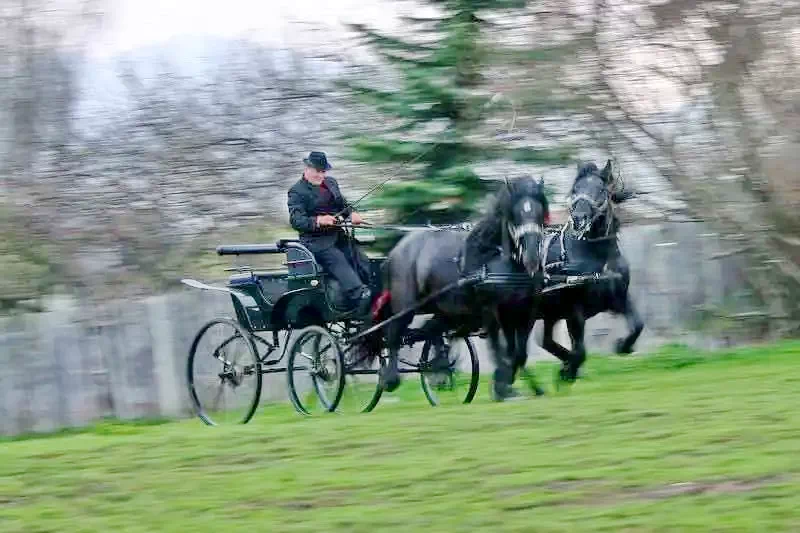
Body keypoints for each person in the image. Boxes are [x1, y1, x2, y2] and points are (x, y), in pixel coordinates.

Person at [287, 151, 372, 313]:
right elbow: (296, 221)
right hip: (315, 242)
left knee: (359, 257)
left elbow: (343, 205)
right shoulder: (296, 191)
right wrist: (318, 220)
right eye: (317, 171)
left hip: (338, 236)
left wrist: (352, 213)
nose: (321, 175)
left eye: (323, 171)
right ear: (307, 168)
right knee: (338, 260)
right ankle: (358, 295)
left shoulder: (331, 183)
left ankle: (372, 291)